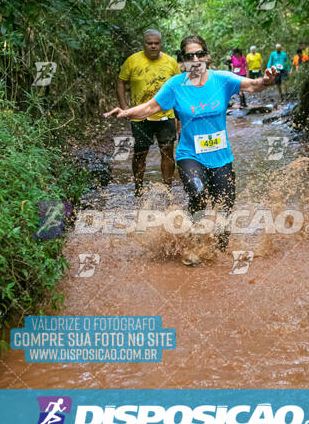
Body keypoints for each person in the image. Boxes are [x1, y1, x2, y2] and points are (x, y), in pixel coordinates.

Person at [104, 35, 277, 264]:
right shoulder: (175, 86)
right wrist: (125, 113)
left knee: (224, 206)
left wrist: (266, 80)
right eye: (189, 56)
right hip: (189, 155)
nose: (195, 59)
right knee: (197, 192)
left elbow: (252, 85)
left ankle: (218, 253)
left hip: (221, 156)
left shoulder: (222, 80)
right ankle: (195, 244)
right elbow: (149, 108)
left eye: (199, 54)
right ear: (182, 60)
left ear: (207, 56)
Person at [116, 29, 180, 196]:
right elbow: (121, 82)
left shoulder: (171, 63)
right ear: (143, 44)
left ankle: (168, 189)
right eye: (149, 43)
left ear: (161, 44)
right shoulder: (132, 61)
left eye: (156, 43)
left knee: (167, 152)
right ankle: (138, 189)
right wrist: (125, 108)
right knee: (139, 154)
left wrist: (181, 113)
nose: (153, 46)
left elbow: (179, 88)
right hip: (141, 117)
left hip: (165, 116)